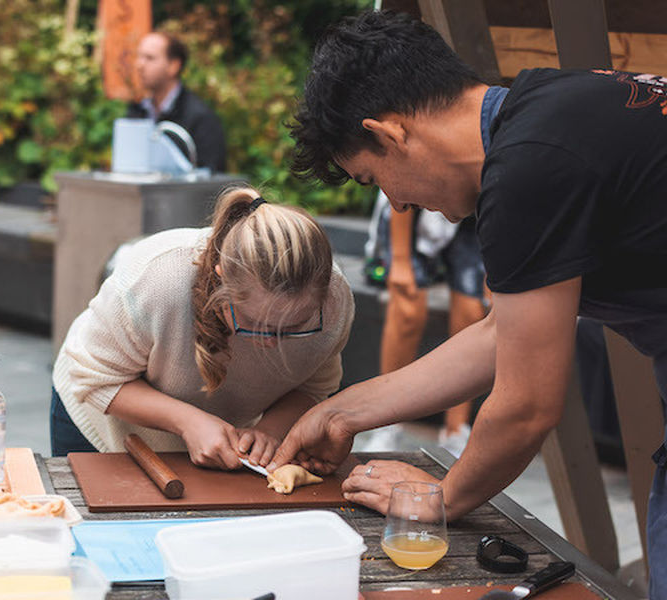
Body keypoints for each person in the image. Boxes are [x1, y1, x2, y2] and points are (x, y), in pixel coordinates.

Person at [270, 11, 667, 596]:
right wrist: (341, 412)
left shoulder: (527, 173)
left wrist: (440, 498)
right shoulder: (551, 105)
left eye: (373, 177)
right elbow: (499, 336)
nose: (397, 206)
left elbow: (527, 404)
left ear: (389, 134)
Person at [51, 184, 355, 471]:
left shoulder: (334, 302)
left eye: (295, 326)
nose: (270, 344)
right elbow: (96, 378)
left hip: (213, 439)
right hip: (99, 425)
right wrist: (187, 421)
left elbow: (314, 385)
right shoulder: (156, 279)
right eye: (252, 324)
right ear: (221, 279)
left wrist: (270, 431)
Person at [363, 191, 487, 456]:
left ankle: (456, 430)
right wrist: (399, 262)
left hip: (472, 213)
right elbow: (398, 179)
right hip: (408, 206)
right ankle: (387, 423)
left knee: (473, 312)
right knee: (407, 308)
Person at [128, 30, 227, 173]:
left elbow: (211, 180)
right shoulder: (137, 111)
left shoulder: (201, 118)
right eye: (139, 56)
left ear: (173, 66)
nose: (139, 65)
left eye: (149, 58)